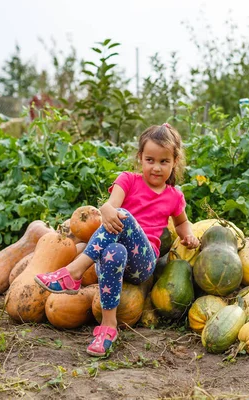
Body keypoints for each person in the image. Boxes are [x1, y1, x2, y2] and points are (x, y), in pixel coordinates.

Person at [35, 123, 200, 356]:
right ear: (140, 157)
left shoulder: (174, 196)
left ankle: (74, 272)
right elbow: (110, 206)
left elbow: (181, 223)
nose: (156, 167)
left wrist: (188, 236)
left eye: (164, 161)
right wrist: (106, 208)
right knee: (115, 250)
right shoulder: (128, 180)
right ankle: (108, 327)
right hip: (115, 255)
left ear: (174, 162)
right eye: (150, 160)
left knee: (124, 217)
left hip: (143, 262)